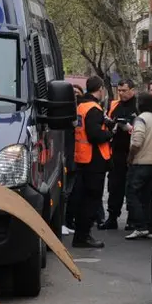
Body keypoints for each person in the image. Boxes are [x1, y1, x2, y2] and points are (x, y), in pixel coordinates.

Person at [72, 76, 114, 248]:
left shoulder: (81, 105)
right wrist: (111, 133)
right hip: (94, 161)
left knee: (84, 198)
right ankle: (83, 236)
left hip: (82, 158)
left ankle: (81, 235)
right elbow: (95, 135)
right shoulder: (94, 109)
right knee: (92, 199)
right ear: (100, 89)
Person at [100, 79, 138, 230]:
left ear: (132, 90)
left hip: (132, 153)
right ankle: (112, 217)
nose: (121, 93)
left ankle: (132, 219)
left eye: (124, 90)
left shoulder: (137, 106)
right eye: (119, 90)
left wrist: (128, 126)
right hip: (116, 151)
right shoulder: (114, 104)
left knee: (131, 187)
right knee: (114, 186)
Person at [125, 92, 152, 240]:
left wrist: (131, 156)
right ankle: (149, 226)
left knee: (132, 194)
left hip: (140, 163)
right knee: (147, 197)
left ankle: (140, 226)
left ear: (139, 104)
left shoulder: (140, 119)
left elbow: (137, 141)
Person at [62, 84, 84, 236]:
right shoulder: (66, 114)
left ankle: (67, 221)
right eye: (73, 93)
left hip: (74, 157)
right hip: (67, 157)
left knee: (70, 192)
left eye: (78, 93)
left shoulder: (78, 111)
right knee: (65, 192)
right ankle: (62, 222)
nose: (76, 96)